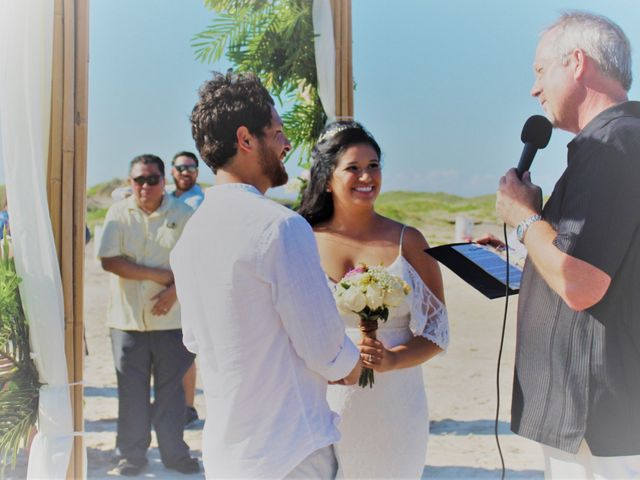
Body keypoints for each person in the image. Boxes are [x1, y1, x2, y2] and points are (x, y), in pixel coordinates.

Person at [170, 71, 362, 479]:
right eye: (277, 132)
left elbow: (193, 339)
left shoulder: (191, 237)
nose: (286, 144)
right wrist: (355, 364)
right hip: (289, 449)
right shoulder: (279, 227)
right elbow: (325, 350)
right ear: (246, 139)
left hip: (228, 453)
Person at [495, 11, 640, 478]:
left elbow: (581, 284)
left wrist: (523, 218)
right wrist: (528, 241)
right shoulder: (614, 145)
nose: (534, 89)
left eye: (540, 71)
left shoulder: (613, 147)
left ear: (576, 63)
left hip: (598, 422)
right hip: (598, 419)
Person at [297, 121, 449, 478]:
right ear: (327, 178)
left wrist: (393, 360)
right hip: (318, 398)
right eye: (353, 168)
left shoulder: (408, 241)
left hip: (393, 404)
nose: (366, 177)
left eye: (373, 166)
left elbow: (438, 331)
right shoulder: (301, 238)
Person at [98, 154, 200, 476]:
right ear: (130, 182)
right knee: (131, 394)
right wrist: (158, 276)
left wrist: (173, 292)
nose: (145, 186)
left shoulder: (184, 215)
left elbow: (196, 265)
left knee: (171, 394)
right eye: (138, 180)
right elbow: (110, 260)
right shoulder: (117, 214)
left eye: (151, 179)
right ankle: (131, 456)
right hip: (127, 322)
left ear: (163, 181)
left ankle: (175, 455)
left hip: (172, 322)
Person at [166, 150, 204, 426]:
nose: (185, 172)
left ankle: (188, 406)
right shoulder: (168, 199)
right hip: (165, 276)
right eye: (180, 167)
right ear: (172, 171)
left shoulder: (200, 202)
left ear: (197, 171)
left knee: (185, 349)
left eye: (190, 167)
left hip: (189, 281)